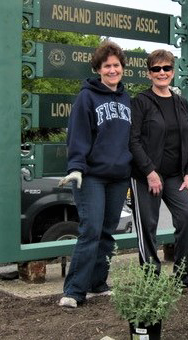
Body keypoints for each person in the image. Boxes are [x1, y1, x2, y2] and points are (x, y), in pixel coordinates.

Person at [58, 41, 132, 308]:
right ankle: (74, 291)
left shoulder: (126, 99)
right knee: (90, 230)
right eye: (107, 66)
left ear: (122, 68)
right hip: (91, 177)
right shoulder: (86, 98)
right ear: (98, 69)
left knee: (106, 232)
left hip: (118, 177)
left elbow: (131, 139)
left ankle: (98, 284)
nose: (112, 70)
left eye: (116, 65)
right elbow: (77, 135)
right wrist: (76, 167)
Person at [130, 49, 188, 287]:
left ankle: (184, 274)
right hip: (146, 176)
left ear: (173, 72)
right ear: (149, 73)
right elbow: (133, 141)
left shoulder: (181, 103)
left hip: (175, 176)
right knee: (148, 226)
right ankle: (151, 278)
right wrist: (150, 172)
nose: (162, 73)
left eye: (166, 68)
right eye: (156, 69)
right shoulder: (141, 102)